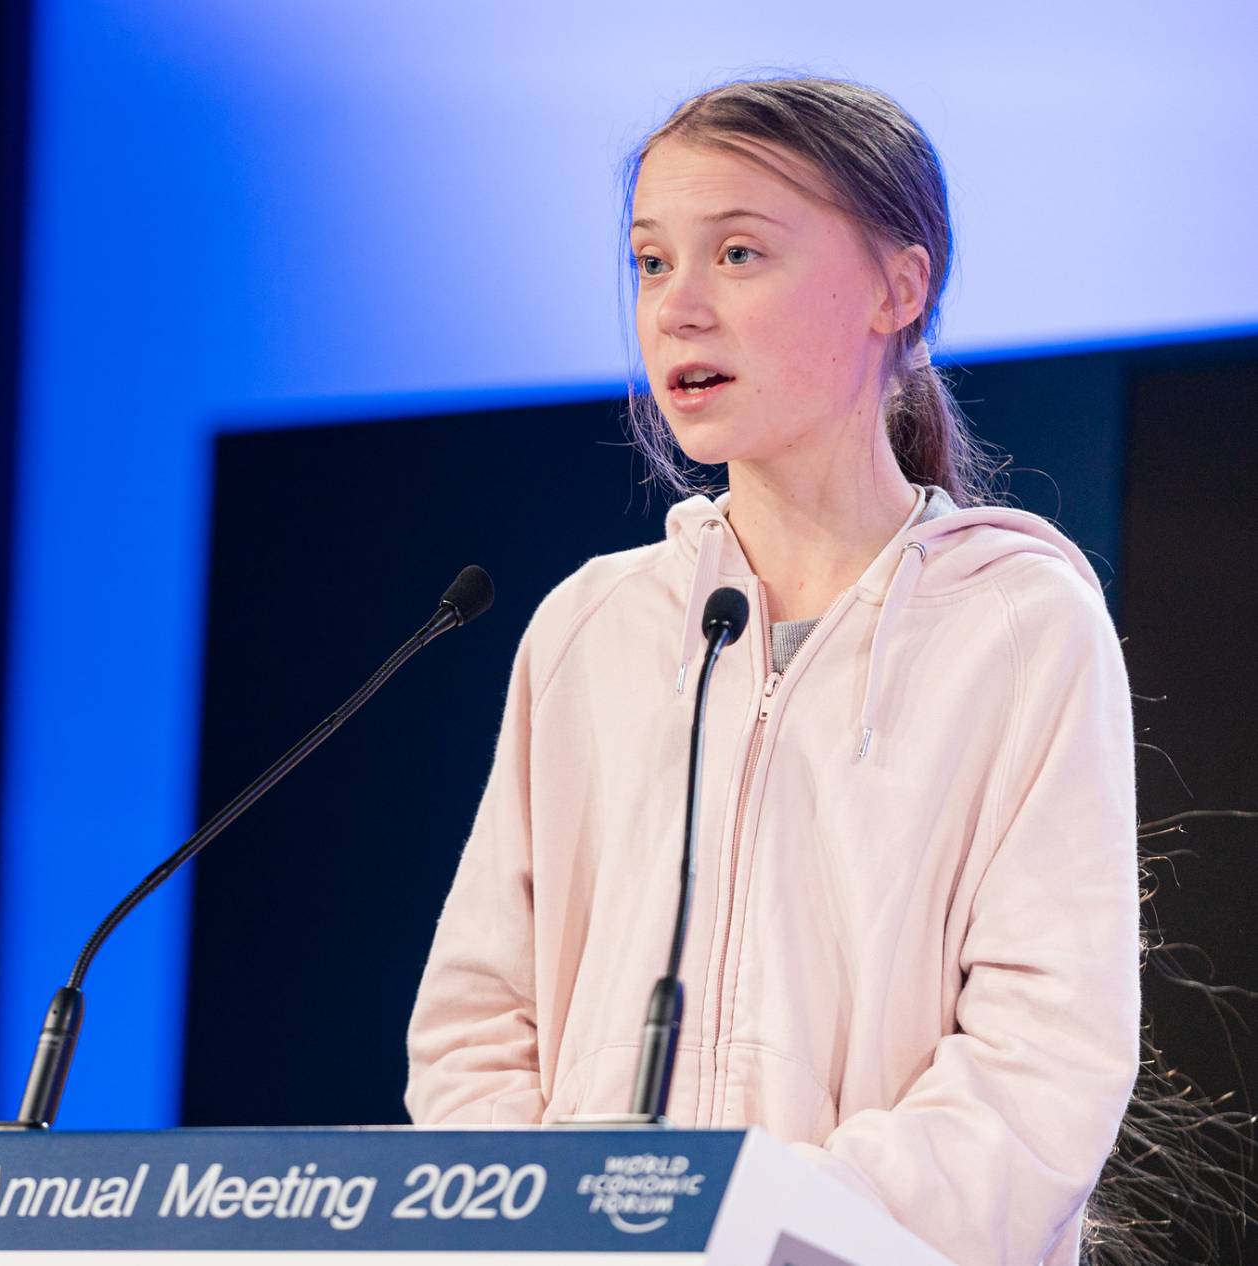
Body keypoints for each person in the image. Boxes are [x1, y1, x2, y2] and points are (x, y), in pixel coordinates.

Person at [403, 76, 1143, 1266]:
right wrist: (551, 1221)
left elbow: (1043, 1064)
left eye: (738, 254)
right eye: (649, 263)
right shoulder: (589, 630)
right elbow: (477, 1026)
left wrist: (759, 1222)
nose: (677, 309)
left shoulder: (1018, 624)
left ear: (898, 288)